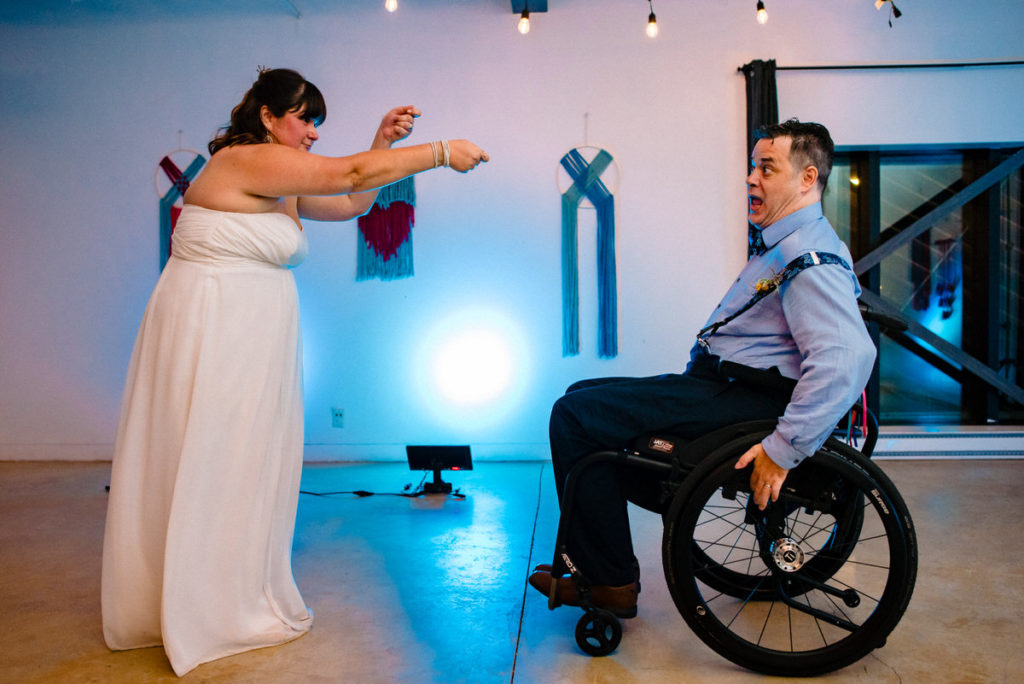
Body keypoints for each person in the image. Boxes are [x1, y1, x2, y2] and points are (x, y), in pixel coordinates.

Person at [101, 67, 488, 676]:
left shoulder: (277, 177)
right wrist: (438, 153)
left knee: (246, 462)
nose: (312, 132)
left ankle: (226, 592)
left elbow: (356, 198)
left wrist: (382, 142)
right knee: (218, 458)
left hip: (250, 336)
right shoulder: (244, 162)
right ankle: (204, 606)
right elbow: (350, 173)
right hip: (216, 330)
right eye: (305, 119)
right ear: (266, 117)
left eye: (318, 123)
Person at [528, 119, 875, 619]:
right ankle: (611, 548)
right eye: (753, 166)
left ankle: (608, 582)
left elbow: (848, 358)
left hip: (743, 398)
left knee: (575, 415)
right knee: (583, 392)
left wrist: (782, 451)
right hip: (725, 385)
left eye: (767, 168)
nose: (752, 178)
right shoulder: (789, 241)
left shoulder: (810, 258)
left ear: (807, 178)